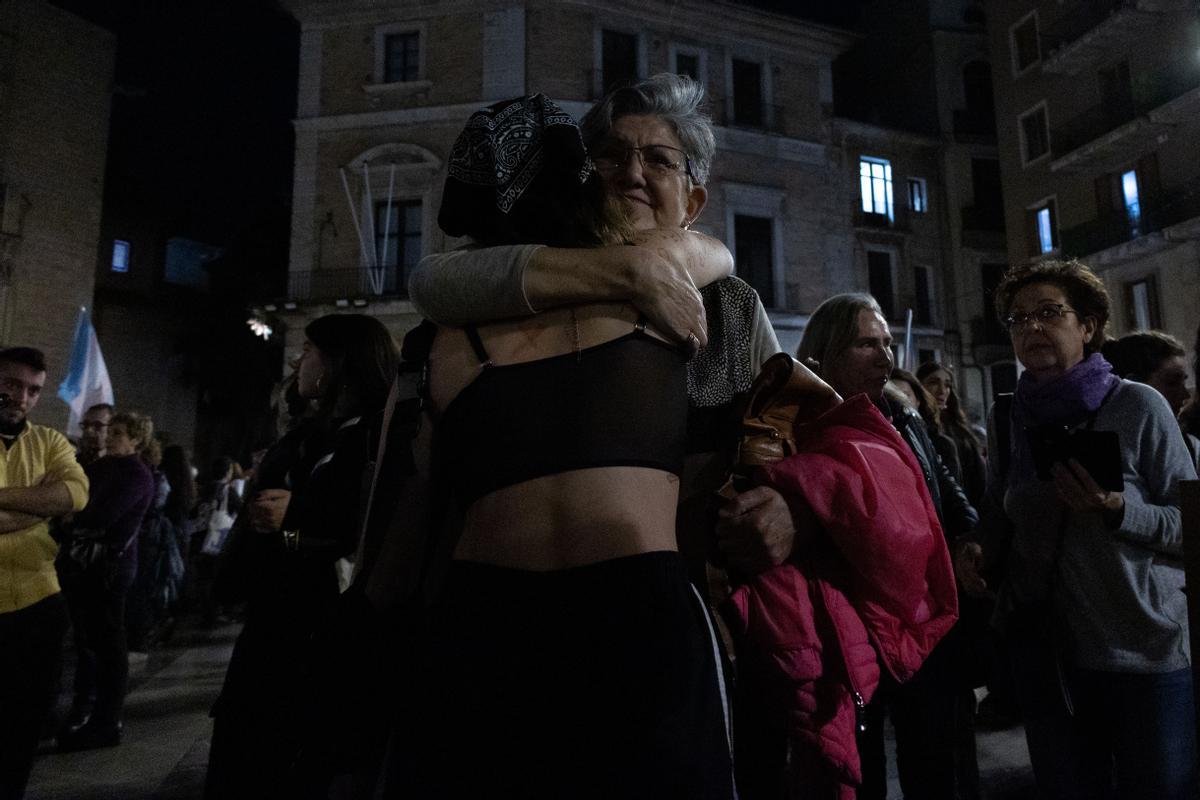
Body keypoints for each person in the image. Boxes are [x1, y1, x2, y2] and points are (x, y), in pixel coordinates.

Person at [401, 93, 735, 799]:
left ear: (695, 199)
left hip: (640, 620)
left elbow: (766, 451)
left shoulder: (725, 306)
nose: (632, 173)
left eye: (658, 160)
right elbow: (418, 495)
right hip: (487, 625)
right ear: (582, 175)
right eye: (610, 157)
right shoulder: (449, 317)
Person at [956, 259, 1198, 799]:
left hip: (1146, 655)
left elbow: (1189, 525)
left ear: (1088, 326)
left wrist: (1115, 508)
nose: (1032, 328)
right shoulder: (1011, 416)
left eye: (1049, 313)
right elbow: (1001, 504)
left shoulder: (1139, 405)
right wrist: (977, 544)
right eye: (1018, 320)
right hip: (1052, 658)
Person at [204, 313, 399, 800]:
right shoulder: (307, 434)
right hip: (273, 620)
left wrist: (298, 519)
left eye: (309, 350)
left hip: (323, 630)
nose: (298, 360)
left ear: (340, 361)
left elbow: (378, 521)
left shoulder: (378, 434)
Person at [795, 295, 980, 800]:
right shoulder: (798, 426)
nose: (884, 357)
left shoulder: (901, 415)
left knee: (935, 759)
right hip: (851, 626)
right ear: (825, 353)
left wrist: (966, 535)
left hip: (922, 621)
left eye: (888, 344)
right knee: (860, 766)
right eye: (865, 344)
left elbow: (942, 487)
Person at [0, 347, 89, 800]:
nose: (22, 397)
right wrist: (34, 508)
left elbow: (74, 495)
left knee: (23, 726)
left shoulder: (50, 442)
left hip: (37, 601)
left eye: (33, 390)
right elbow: (52, 502)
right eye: (13, 384)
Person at [56, 411, 156, 751]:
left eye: (117, 432)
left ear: (136, 440)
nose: (108, 437)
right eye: (109, 431)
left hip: (111, 569)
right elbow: (72, 501)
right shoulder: (101, 467)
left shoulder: (137, 474)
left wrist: (75, 516)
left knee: (109, 645)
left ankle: (107, 720)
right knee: (89, 641)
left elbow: (100, 515)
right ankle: (84, 711)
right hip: (84, 564)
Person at [1102, 330, 1197, 467]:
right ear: (1134, 386)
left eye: (1183, 382)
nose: (1185, 395)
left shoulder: (1191, 448)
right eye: (1171, 383)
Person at [918, 362, 987, 508]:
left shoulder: (959, 429)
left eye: (947, 385)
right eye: (933, 383)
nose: (942, 390)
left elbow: (979, 479)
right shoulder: (917, 428)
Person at [76, 403, 113, 467]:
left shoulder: (119, 466)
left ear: (111, 429)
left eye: (97, 425)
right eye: (86, 424)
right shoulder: (72, 462)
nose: (89, 430)